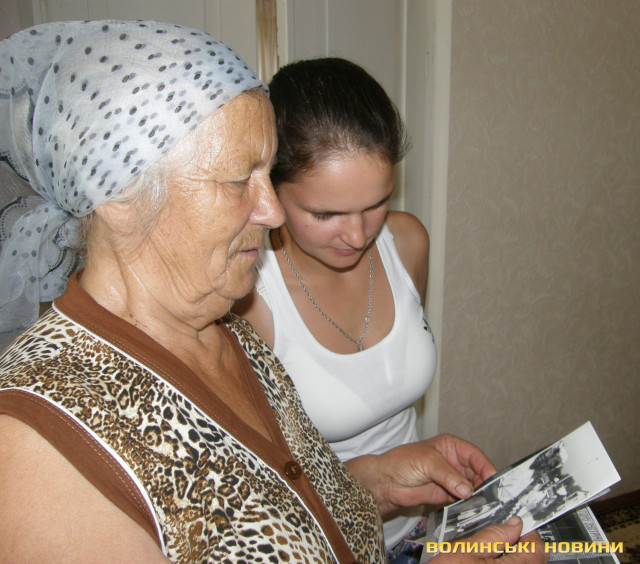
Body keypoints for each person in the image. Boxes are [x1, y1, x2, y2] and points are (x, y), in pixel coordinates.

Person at [0, 21, 545, 564]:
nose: (274, 212)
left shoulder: (227, 331)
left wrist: (379, 481)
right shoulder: (38, 445)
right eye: (241, 179)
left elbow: (279, 519)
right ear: (119, 196)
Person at [234, 56, 435, 559]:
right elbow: (250, 485)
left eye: (376, 203)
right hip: (322, 546)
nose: (358, 236)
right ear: (269, 191)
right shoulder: (248, 299)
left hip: (417, 531)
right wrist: (374, 482)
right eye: (325, 214)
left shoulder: (407, 242)